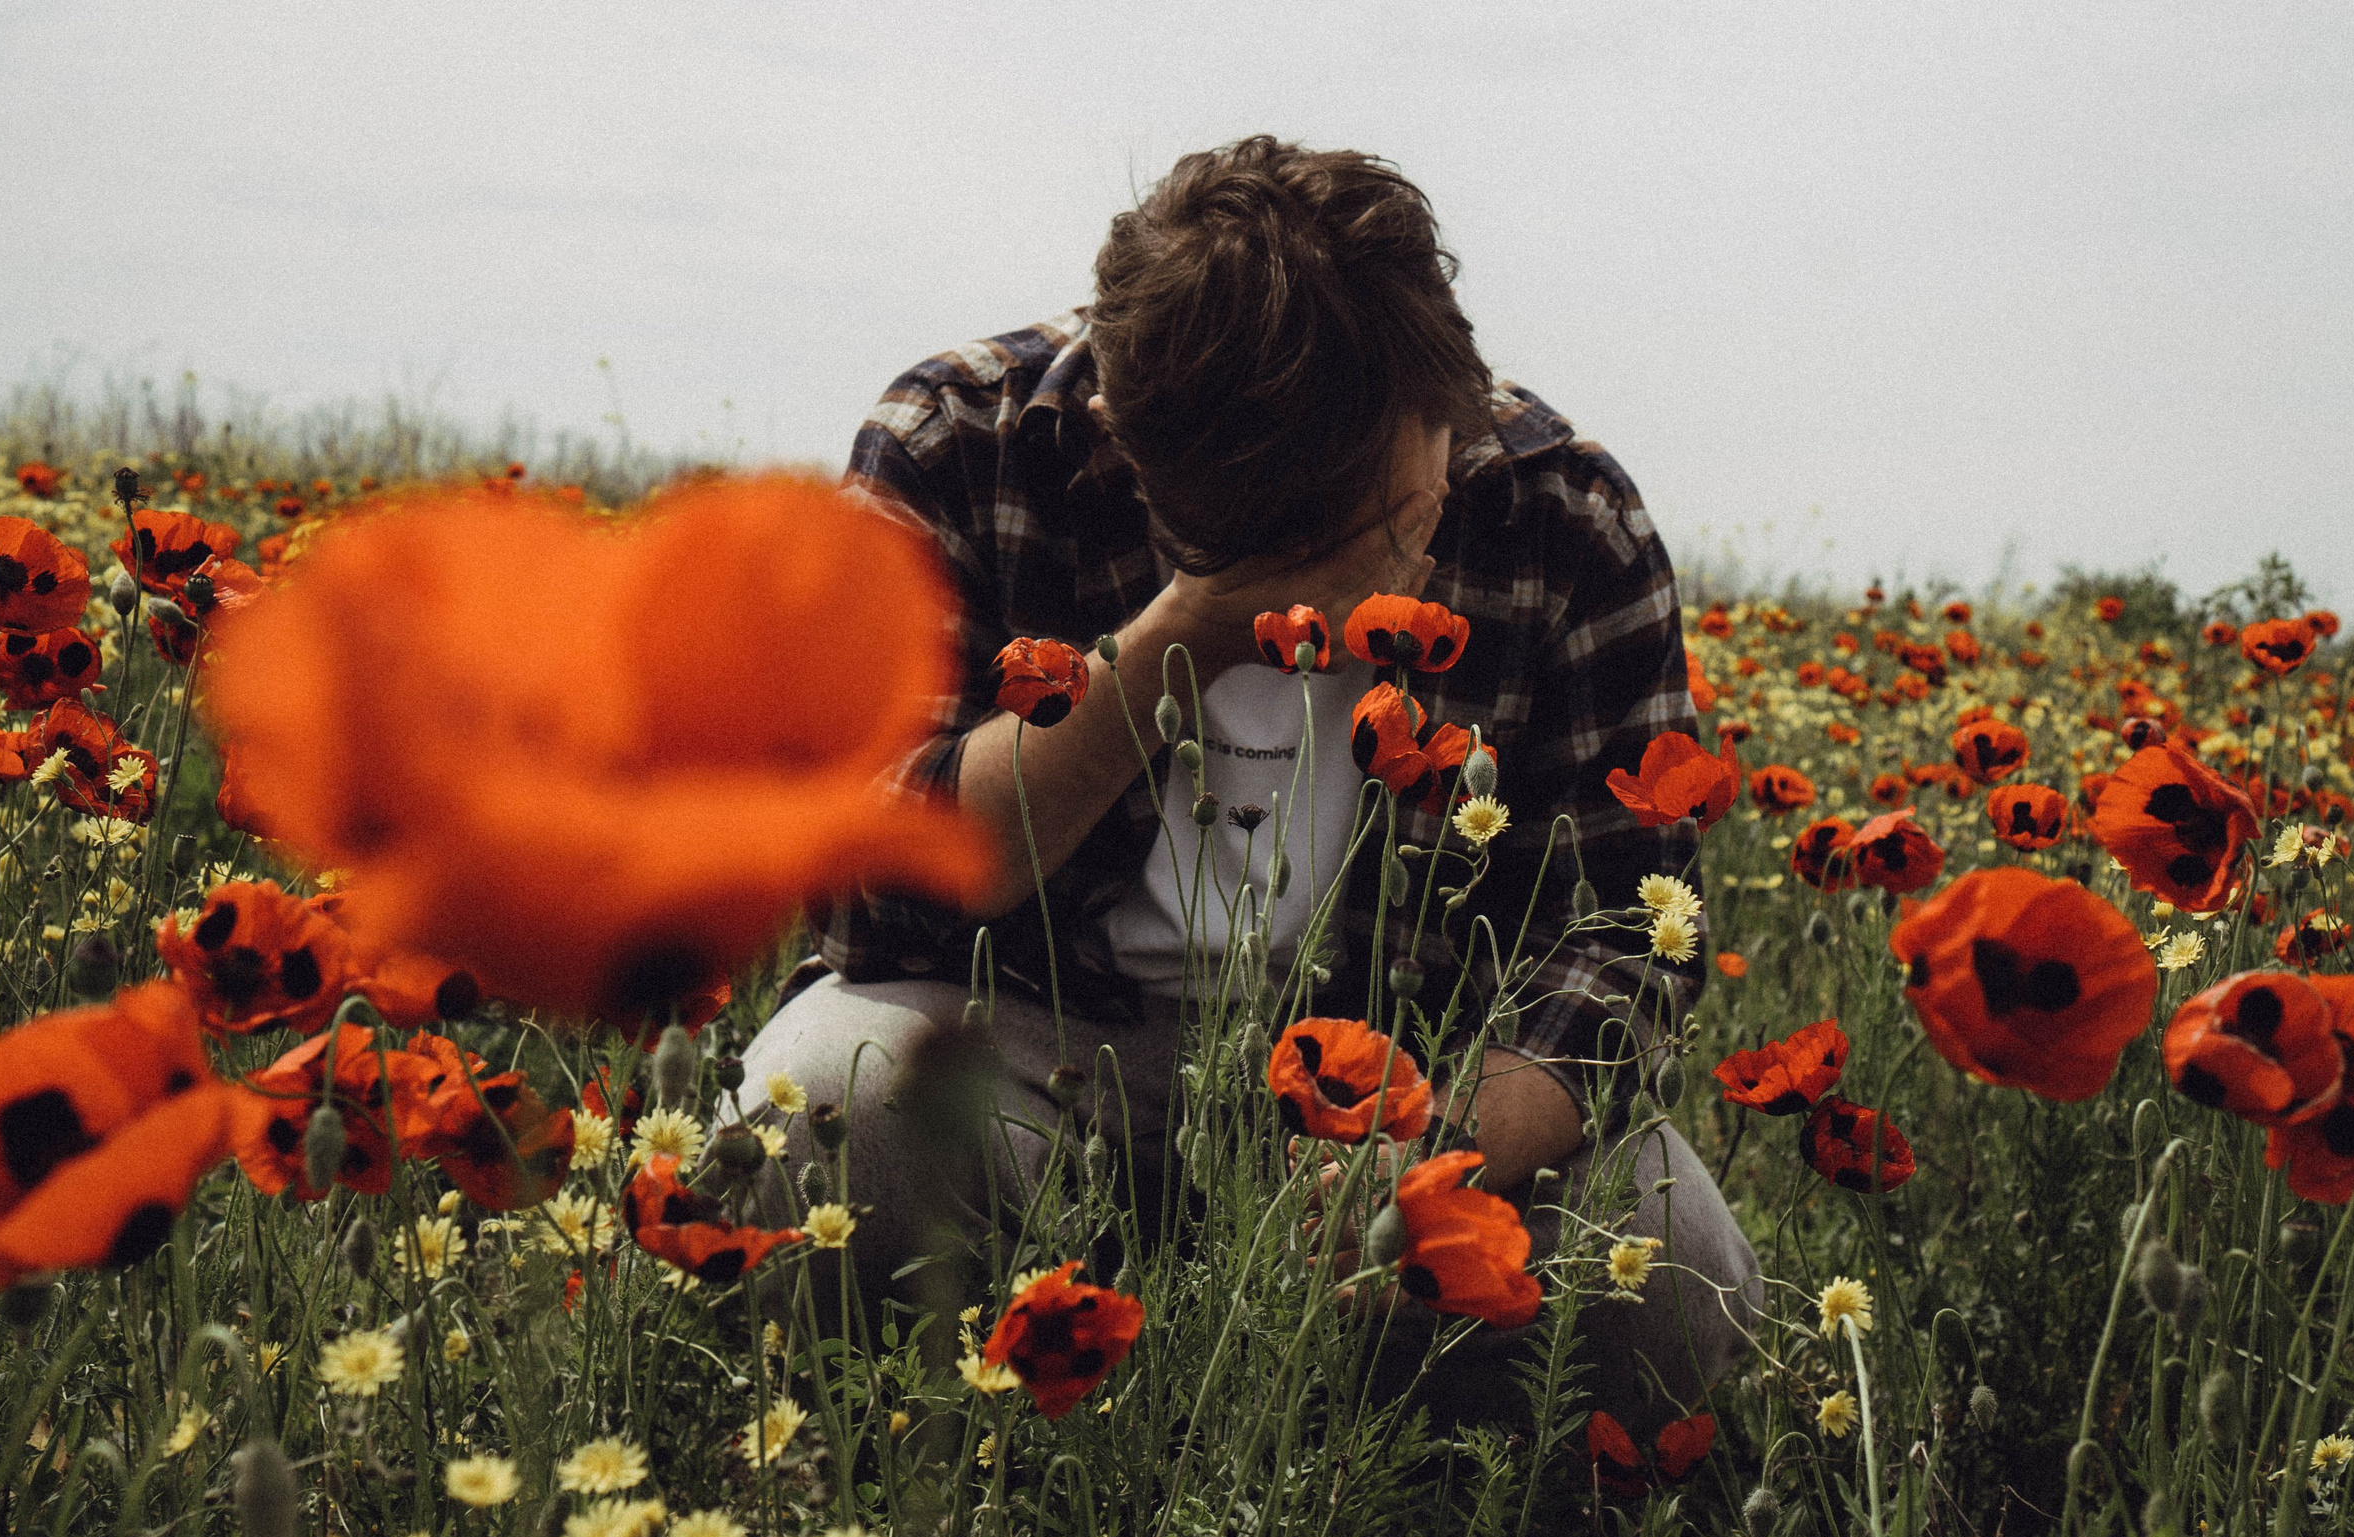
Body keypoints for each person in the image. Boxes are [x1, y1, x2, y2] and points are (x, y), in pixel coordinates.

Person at [740, 135, 1760, 1432]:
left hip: (1405, 1078)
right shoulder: (961, 445)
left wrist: (1444, 1156)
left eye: (1410, 488)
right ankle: (962, 1443)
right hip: (1035, 1053)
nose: (1404, 545)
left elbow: (1628, 929)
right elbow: (857, 888)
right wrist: (1196, 628)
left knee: (1669, 1276)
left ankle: (1389, 1485)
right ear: (1128, 444)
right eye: (1336, 541)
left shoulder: (1553, 509)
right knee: (816, 1110)